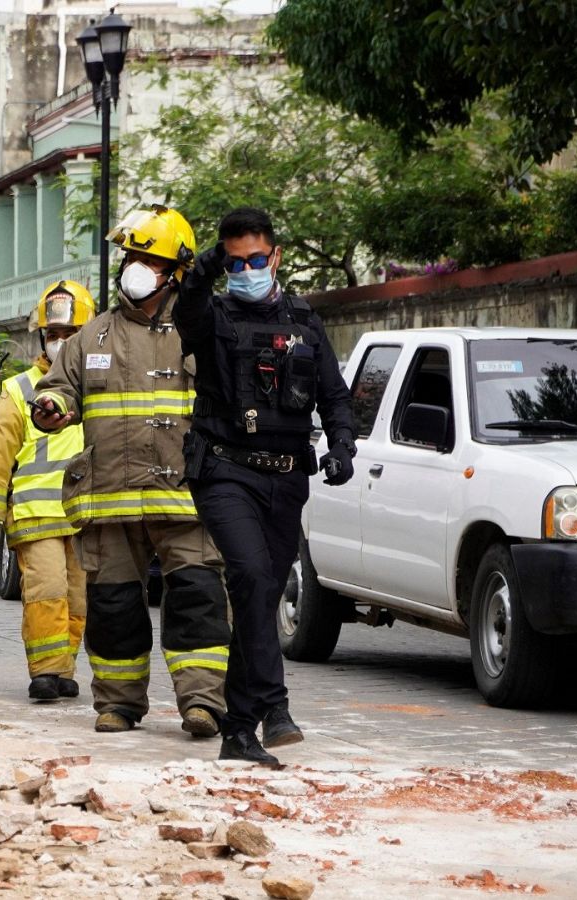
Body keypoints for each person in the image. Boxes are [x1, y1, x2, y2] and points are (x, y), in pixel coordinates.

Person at [30, 205, 231, 739]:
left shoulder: (203, 332)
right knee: (114, 607)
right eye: (130, 256)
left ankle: (203, 703)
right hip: (110, 499)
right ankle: (118, 704)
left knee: (197, 600)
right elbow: (56, 390)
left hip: (185, 499)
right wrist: (50, 406)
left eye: (147, 258)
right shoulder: (90, 338)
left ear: (177, 272)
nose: (133, 267)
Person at [174, 207, 356, 765]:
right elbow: (187, 314)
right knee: (250, 577)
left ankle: (261, 715)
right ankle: (250, 721)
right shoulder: (215, 314)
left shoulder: (304, 319)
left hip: (287, 477)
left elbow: (335, 394)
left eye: (256, 259)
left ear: (275, 257)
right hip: (226, 471)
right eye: (237, 262)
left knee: (263, 596)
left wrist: (343, 446)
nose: (248, 270)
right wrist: (203, 269)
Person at [0, 280, 93, 701]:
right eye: (54, 335)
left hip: (85, 516)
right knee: (47, 591)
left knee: (77, 598)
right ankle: (45, 671)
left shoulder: (100, 387)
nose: (61, 343)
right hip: (35, 512)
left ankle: (64, 668)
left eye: (70, 334)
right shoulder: (21, 389)